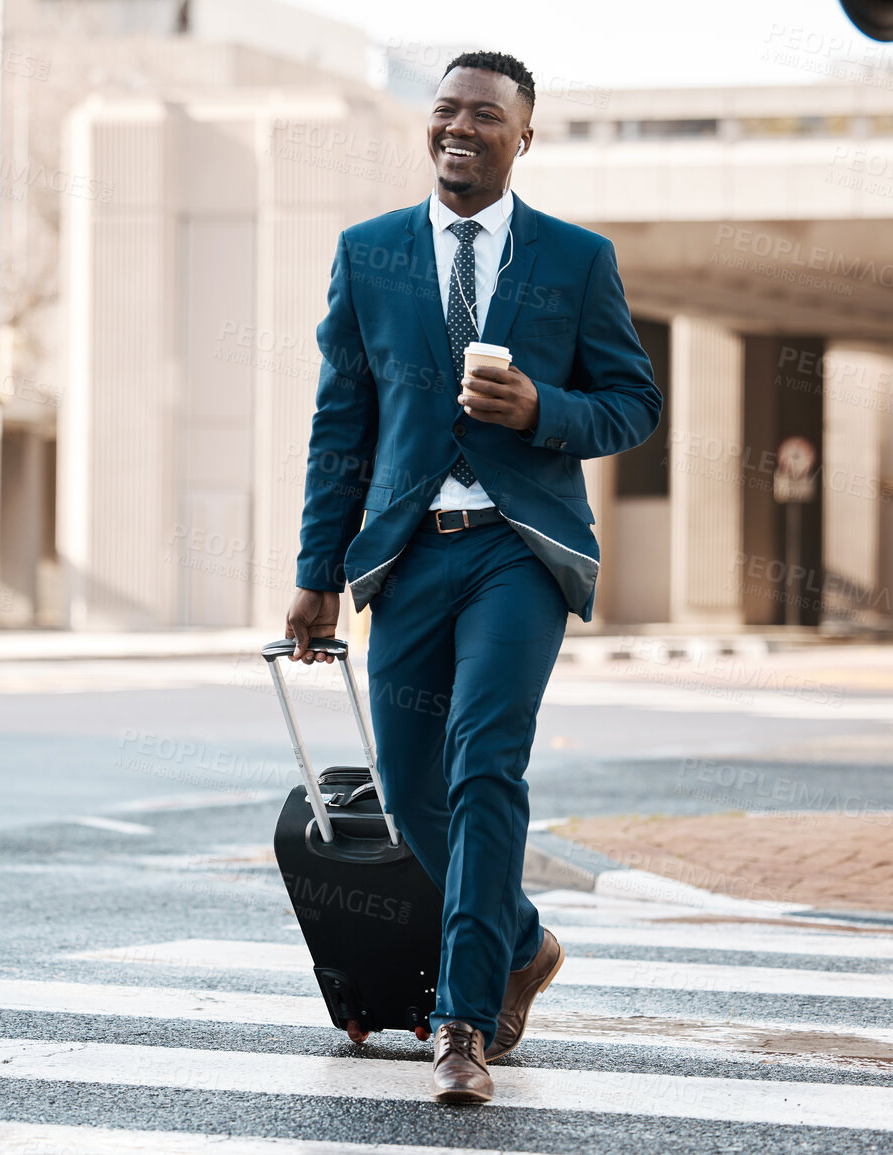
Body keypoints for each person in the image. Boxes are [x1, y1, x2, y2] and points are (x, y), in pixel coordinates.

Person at [284, 50, 661, 1105]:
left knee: (485, 766)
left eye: (485, 115)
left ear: (523, 137)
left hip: (518, 551)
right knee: (412, 796)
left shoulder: (577, 260)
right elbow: (340, 424)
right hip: (407, 555)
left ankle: (460, 1023)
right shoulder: (368, 255)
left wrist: (545, 410)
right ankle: (524, 941)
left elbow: (634, 403)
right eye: (446, 109)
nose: (460, 126)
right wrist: (316, 571)